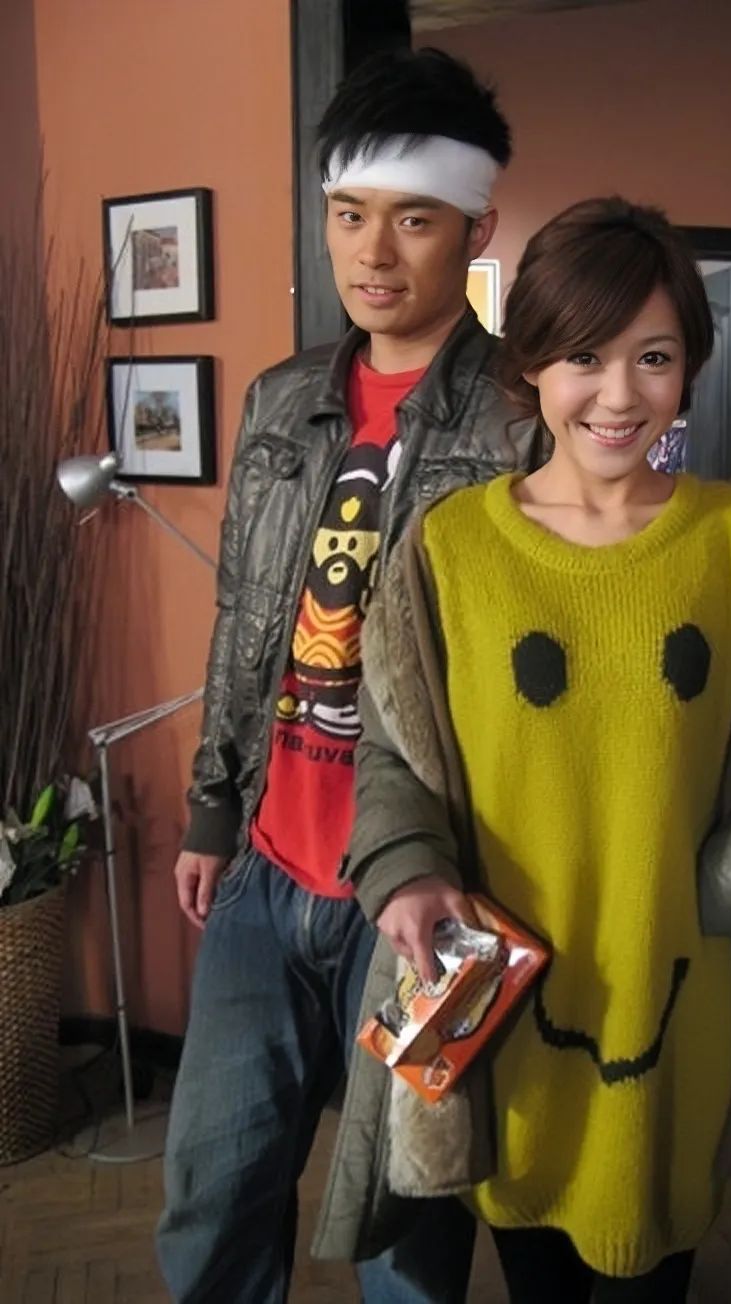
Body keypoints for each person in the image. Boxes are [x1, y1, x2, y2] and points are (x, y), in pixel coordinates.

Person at [314, 198, 731, 1301]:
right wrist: (406, 865)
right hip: (503, 1013)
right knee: (533, 1267)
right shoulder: (448, 547)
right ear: (529, 362)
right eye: (583, 355)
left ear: (688, 367)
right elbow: (393, 743)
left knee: (651, 1271)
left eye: (652, 357)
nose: (619, 395)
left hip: (682, 1009)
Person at [156, 47, 543, 1304]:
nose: (372, 252)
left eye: (413, 220)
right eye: (348, 213)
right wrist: (214, 805)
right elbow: (243, 617)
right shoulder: (280, 401)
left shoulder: (526, 417)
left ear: (476, 228)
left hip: (430, 891)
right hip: (267, 869)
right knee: (213, 1189)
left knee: (406, 1218)